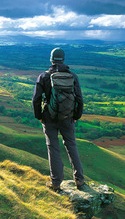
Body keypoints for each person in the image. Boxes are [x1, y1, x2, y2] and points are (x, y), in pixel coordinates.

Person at [32, 47, 85, 192]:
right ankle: (79, 180)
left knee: (53, 147)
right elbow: (79, 100)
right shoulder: (72, 76)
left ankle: (56, 183)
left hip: (49, 117)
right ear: (63, 59)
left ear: (51, 59)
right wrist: (75, 117)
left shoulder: (44, 76)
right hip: (68, 118)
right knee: (71, 145)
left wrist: (39, 117)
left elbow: (36, 100)